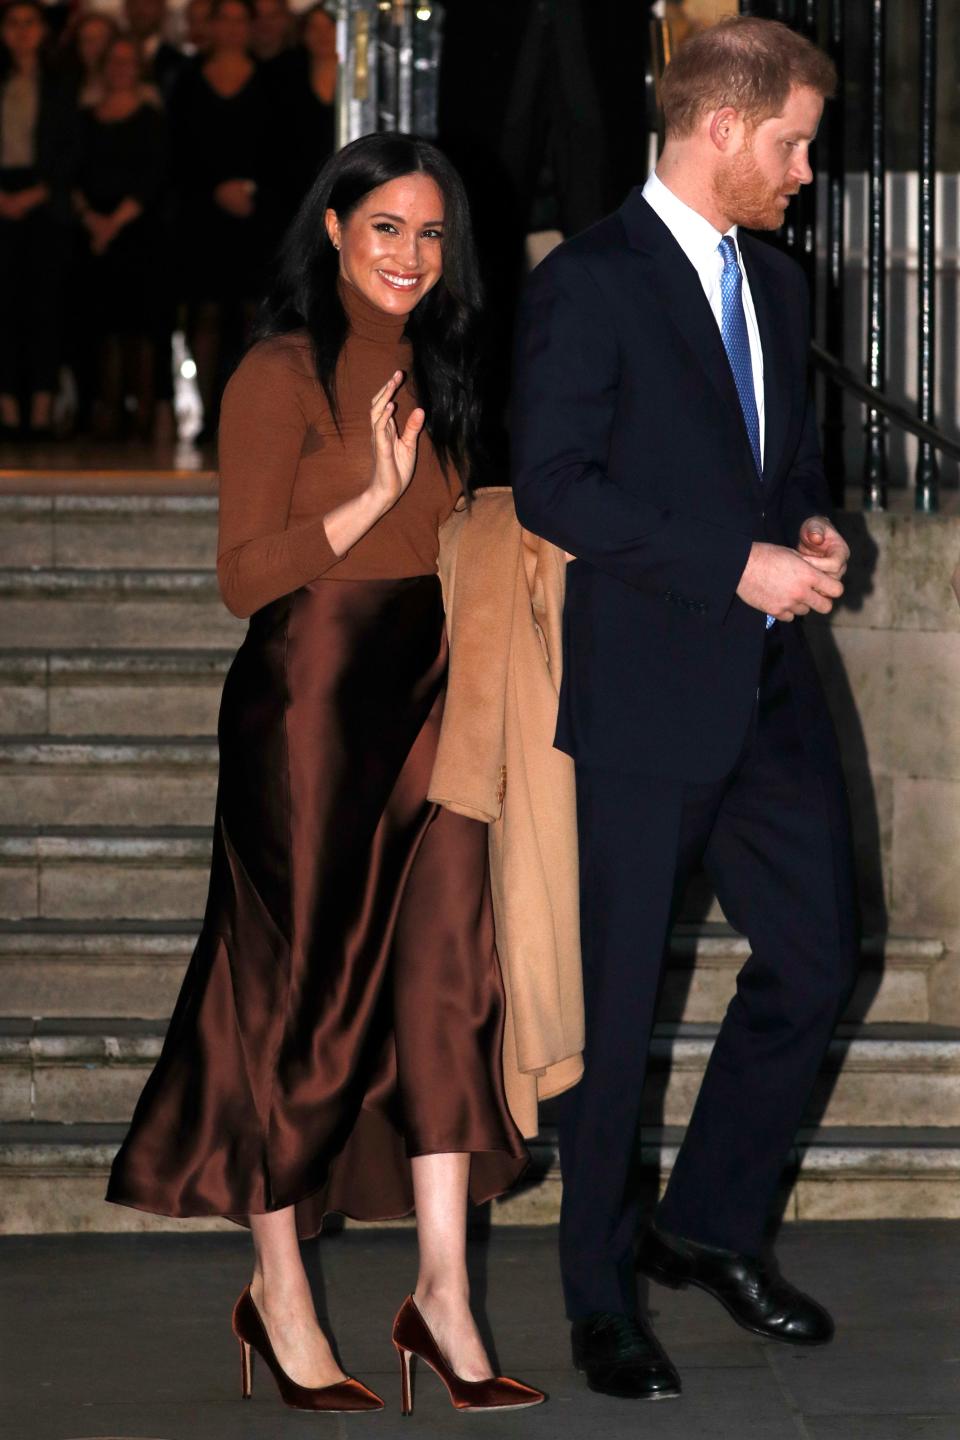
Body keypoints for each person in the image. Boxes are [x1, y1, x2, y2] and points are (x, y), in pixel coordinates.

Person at [106, 131, 543, 1418]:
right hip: (305, 699)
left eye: (431, 232)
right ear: (336, 233)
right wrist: (370, 496)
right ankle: (280, 1291)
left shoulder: (452, 368)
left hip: (434, 695)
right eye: (387, 229)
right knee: (293, 988)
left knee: (450, 976)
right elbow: (244, 576)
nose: (411, 255)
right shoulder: (279, 372)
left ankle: (444, 1295)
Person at [512, 15, 858, 1401]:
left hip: (771, 688)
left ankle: (705, 1227)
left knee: (819, 962)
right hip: (648, 696)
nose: (806, 171)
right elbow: (555, 487)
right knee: (617, 1008)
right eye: (794, 144)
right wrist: (736, 561)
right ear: (723, 129)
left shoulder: (775, 284)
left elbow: (783, 469)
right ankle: (599, 1297)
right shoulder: (590, 281)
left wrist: (813, 529)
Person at [167, 0, 276, 442]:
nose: (231, 28)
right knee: (206, 314)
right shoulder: (188, 81)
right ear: (209, 25)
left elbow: (283, 150)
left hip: (257, 216)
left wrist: (252, 192)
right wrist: (214, 190)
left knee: (255, 316)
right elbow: (176, 151)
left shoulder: (271, 81)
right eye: (223, 19)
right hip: (202, 217)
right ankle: (209, 415)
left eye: (239, 20)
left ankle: (252, 415)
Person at [73, 36, 166, 439]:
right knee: (101, 324)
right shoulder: (86, 117)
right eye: (114, 61)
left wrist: (113, 224)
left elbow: (154, 177)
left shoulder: (152, 118)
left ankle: (141, 414)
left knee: (140, 326)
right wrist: (91, 219)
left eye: (129, 62)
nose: (120, 69)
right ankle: (106, 410)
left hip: (138, 234)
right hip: (93, 234)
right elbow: (72, 173)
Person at [0, 0, 75, 441]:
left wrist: (38, 192)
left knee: (44, 305)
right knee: (4, 305)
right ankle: (8, 407)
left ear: (43, 30)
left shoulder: (61, 82)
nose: (22, 32)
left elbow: (72, 148)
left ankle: (43, 407)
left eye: (30, 23)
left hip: (46, 200)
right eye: (13, 23)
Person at [264, 0, 336, 231]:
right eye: (314, 28)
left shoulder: (362, 76)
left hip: (344, 185)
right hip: (292, 192)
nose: (322, 35)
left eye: (329, 27)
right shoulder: (282, 74)